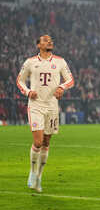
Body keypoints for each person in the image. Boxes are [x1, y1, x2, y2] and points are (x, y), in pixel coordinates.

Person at [16, 35, 74, 192]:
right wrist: (28, 92)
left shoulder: (60, 61)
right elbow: (20, 80)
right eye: (45, 40)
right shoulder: (30, 62)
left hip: (52, 107)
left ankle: (39, 177)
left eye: (51, 40)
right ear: (38, 45)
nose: (49, 41)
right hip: (36, 105)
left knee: (47, 143)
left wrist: (62, 87)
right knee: (38, 141)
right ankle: (32, 172)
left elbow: (70, 80)